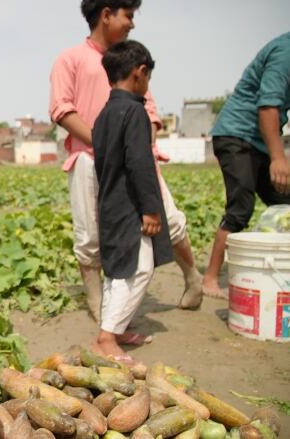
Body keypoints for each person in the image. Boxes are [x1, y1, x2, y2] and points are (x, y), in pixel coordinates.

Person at [48, 0, 203, 331]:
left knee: (170, 221)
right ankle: (97, 300)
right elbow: (62, 109)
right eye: (128, 15)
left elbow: (151, 112)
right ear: (106, 14)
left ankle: (193, 277)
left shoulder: (130, 60)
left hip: (137, 158)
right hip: (88, 160)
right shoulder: (71, 58)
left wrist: (136, 145)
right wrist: (104, 145)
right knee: (89, 236)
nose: (132, 23)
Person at [92, 40, 174, 363]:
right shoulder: (135, 112)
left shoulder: (103, 116)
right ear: (140, 73)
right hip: (129, 207)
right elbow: (140, 163)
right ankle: (106, 337)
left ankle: (116, 327)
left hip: (110, 204)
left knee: (117, 271)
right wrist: (151, 208)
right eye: (148, 78)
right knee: (137, 270)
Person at [202, 32, 290, 297]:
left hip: (258, 141)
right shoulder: (286, 52)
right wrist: (278, 158)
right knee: (241, 206)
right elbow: (267, 107)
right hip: (236, 136)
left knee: (286, 199)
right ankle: (209, 278)